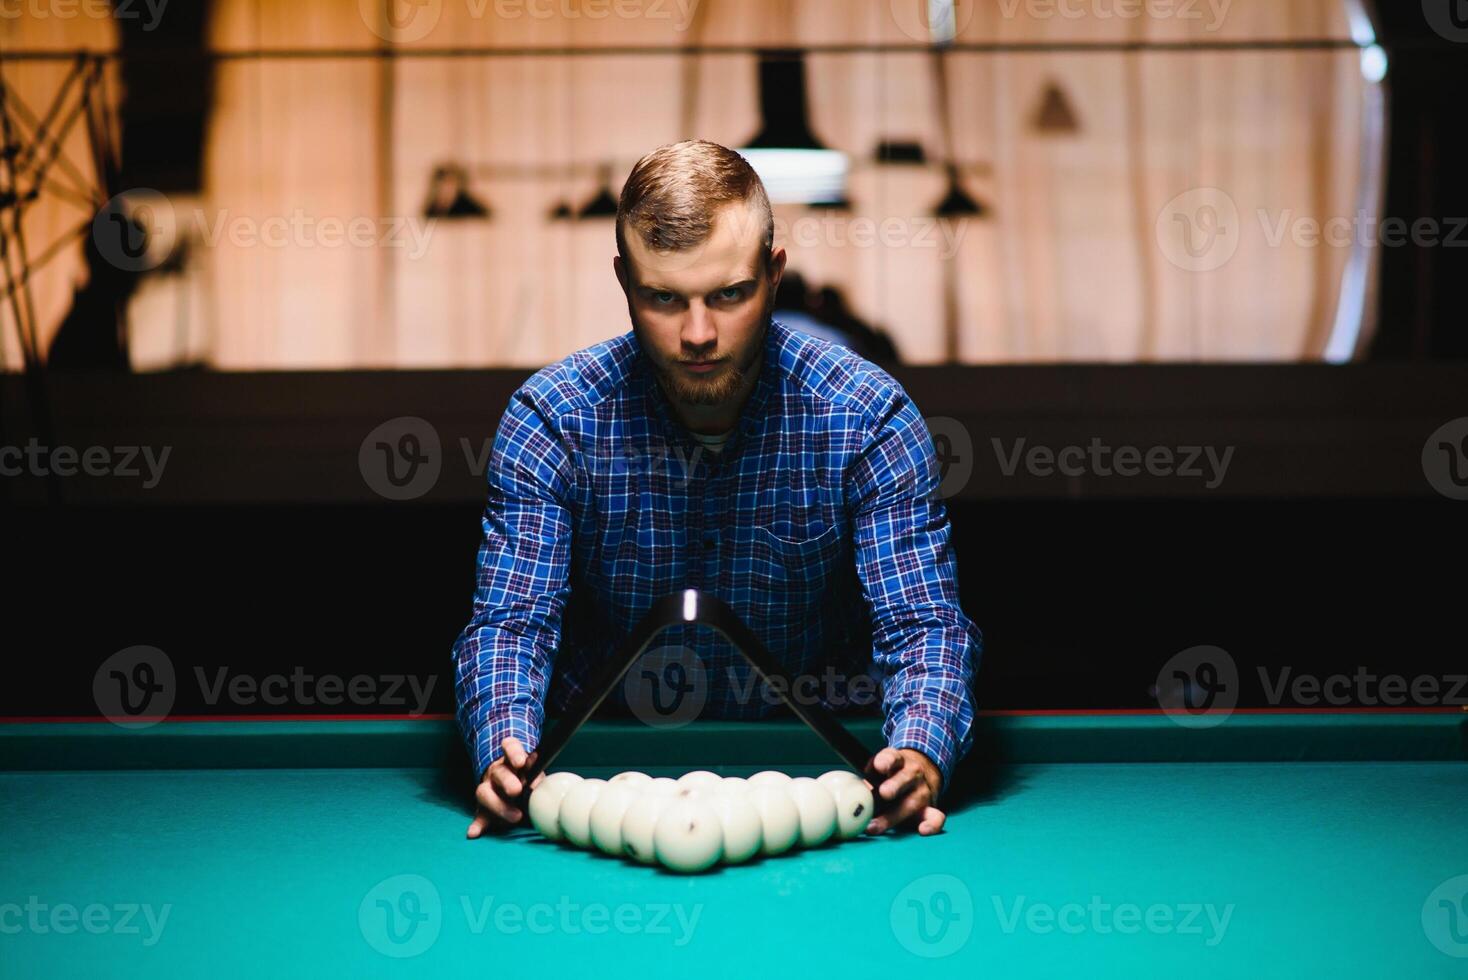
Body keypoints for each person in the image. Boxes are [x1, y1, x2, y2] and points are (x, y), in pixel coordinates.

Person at [453, 139, 980, 839]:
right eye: (664, 297)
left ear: (774, 274)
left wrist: (917, 750)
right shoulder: (551, 421)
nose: (697, 334)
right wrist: (505, 749)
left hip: (822, 776)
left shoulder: (866, 416)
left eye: (729, 294)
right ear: (624, 283)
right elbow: (511, 624)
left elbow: (922, 623)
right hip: (600, 779)